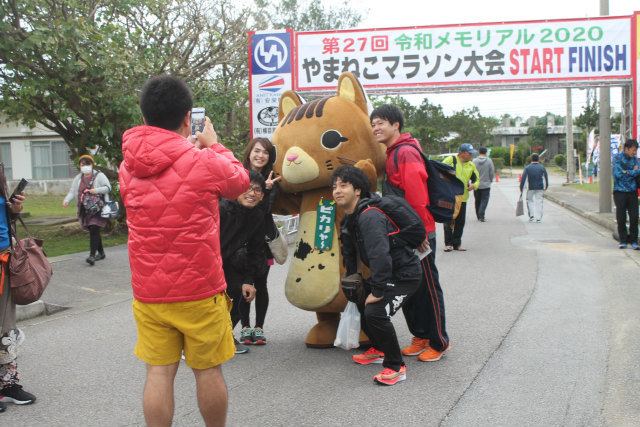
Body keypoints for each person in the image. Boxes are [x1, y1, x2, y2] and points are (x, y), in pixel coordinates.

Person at [119, 75, 249, 427]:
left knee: (158, 373)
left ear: (144, 114)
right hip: (199, 287)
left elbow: (163, 168)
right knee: (207, 371)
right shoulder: (203, 160)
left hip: (149, 291)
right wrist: (215, 145)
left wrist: (188, 148)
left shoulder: (127, 166)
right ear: (187, 116)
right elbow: (240, 182)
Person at [370, 103, 450, 362]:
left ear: (396, 125)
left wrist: (421, 233)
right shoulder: (392, 152)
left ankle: (439, 341)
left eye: (380, 122)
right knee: (410, 287)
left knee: (427, 287)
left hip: (418, 233)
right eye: (373, 124)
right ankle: (421, 336)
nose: (376, 128)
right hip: (405, 232)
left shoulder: (405, 152)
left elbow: (417, 196)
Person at [332, 166, 421, 386]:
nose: (337, 190)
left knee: (375, 311)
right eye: (334, 186)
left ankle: (395, 366)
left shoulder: (369, 216)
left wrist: (379, 291)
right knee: (362, 302)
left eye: (344, 185)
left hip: (405, 275)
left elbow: (379, 254)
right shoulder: (350, 218)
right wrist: (354, 283)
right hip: (390, 272)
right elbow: (350, 253)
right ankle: (379, 349)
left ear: (358, 190)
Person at [239, 138, 281, 346]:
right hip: (238, 237)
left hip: (262, 239)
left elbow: (264, 212)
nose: (260, 156)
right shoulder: (237, 172)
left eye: (265, 152)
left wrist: (267, 189)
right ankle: (245, 327)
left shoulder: (272, 180)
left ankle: (259, 328)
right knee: (241, 283)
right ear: (249, 152)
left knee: (261, 283)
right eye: (257, 151)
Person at [0, 166, 36, 412]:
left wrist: (13, 209)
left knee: (6, 326)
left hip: (4, 256)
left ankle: (9, 385)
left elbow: (6, 216)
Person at [220, 170, 267, 354]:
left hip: (232, 264)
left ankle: (225, 335)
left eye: (257, 190)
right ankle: (194, 343)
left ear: (262, 196)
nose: (252, 193)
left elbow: (255, 250)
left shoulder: (257, 216)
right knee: (207, 305)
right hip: (208, 264)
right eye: (247, 188)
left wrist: (248, 280)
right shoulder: (222, 209)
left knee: (243, 295)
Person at [62, 155, 111, 265]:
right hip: (84, 209)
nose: (85, 167)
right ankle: (101, 252)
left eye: (87, 164)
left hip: (98, 208)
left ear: (92, 164)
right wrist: (66, 200)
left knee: (94, 229)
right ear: (79, 166)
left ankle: (92, 256)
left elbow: (108, 187)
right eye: (82, 164)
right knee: (94, 230)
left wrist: (95, 190)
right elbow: (72, 191)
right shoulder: (78, 178)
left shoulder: (99, 176)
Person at [442, 144, 479, 251]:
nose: (471, 155)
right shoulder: (451, 160)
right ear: (462, 152)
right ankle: (448, 244)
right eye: (469, 153)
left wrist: (474, 185)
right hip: (449, 196)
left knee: (460, 221)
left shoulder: (471, 165)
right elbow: (439, 171)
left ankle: (457, 244)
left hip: (462, 197)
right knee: (448, 220)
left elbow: (476, 179)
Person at [612, 138, 640, 249]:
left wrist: (627, 172)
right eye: (633, 150)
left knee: (634, 217)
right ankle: (623, 240)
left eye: (635, 150)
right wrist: (632, 172)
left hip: (632, 192)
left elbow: (638, 171)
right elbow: (618, 174)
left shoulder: (635, 159)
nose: (634, 153)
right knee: (621, 217)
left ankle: (634, 241)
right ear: (626, 149)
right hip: (620, 192)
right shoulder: (617, 158)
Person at [520, 153, 549, 223]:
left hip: (530, 187)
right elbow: (546, 178)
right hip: (540, 187)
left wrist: (521, 188)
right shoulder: (542, 167)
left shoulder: (527, 168)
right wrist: (546, 187)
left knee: (530, 201)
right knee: (539, 201)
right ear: (538, 159)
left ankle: (531, 216)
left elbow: (523, 179)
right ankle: (538, 217)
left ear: (531, 159)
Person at [473, 146, 495, 222]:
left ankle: (478, 215)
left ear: (479, 152)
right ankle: (481, 214)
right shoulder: (489, 161)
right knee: (484, 200)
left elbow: (471, 172)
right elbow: (491, 172)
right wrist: (491, 180)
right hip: (486, 184)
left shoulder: (474, 161)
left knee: (477, 200)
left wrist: (472, 181)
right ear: (486, 153)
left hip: (476, 184)